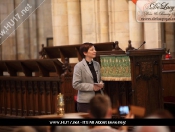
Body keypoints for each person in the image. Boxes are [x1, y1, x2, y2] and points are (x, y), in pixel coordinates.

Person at [72, 42, 104, 112]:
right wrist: (92, 87)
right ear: (85, 53)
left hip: (98, 99)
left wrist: (101, 84)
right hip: (85, 102)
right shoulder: (79, 66)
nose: (95, 51)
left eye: (94, 49)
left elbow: (99, 79)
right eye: (92, 50)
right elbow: (75, 84)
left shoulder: (97, 64)